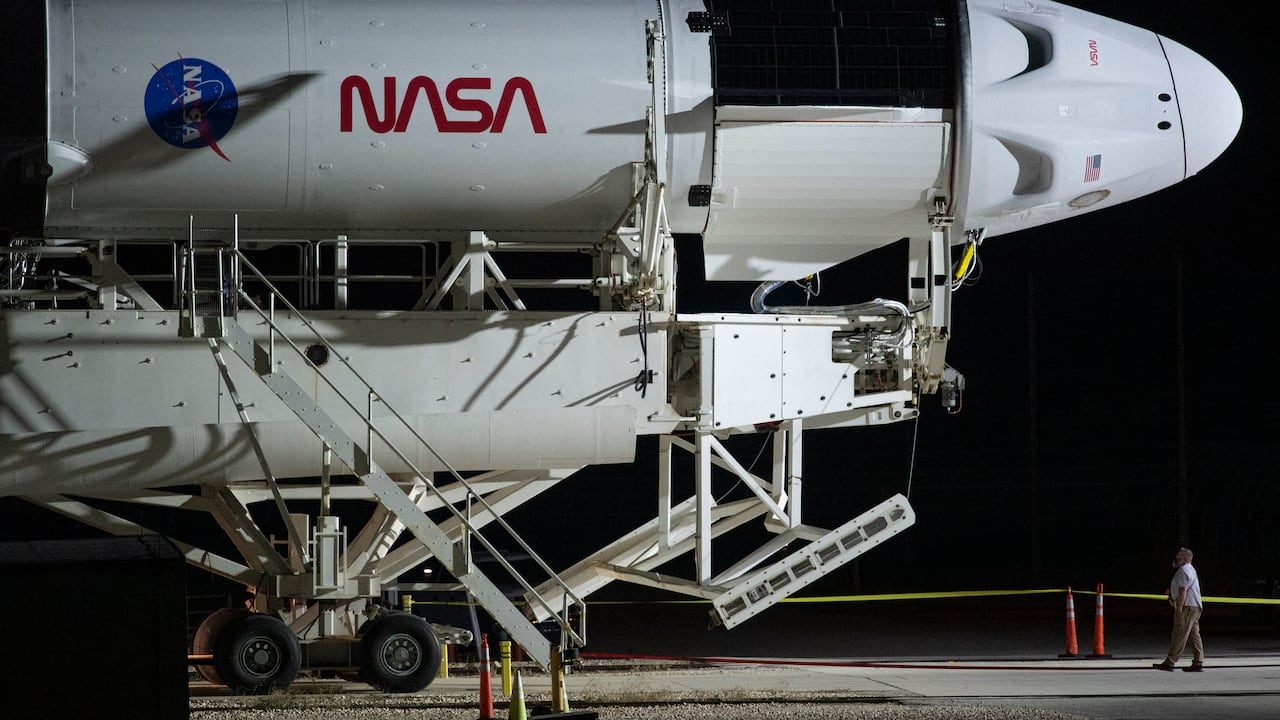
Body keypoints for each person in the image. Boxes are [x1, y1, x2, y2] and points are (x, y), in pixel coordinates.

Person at [1153, 547, 1204, 671]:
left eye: (1179, 556)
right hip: (1194, 606)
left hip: (1187, 606)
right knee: (1193, 635)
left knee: (1179, 633)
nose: (1176, 557)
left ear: (1185, 558)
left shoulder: (1184, 570)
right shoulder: (1190, 570)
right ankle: (1198, 661)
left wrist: (1178, 609)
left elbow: (1183, 591)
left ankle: (1170, 662)